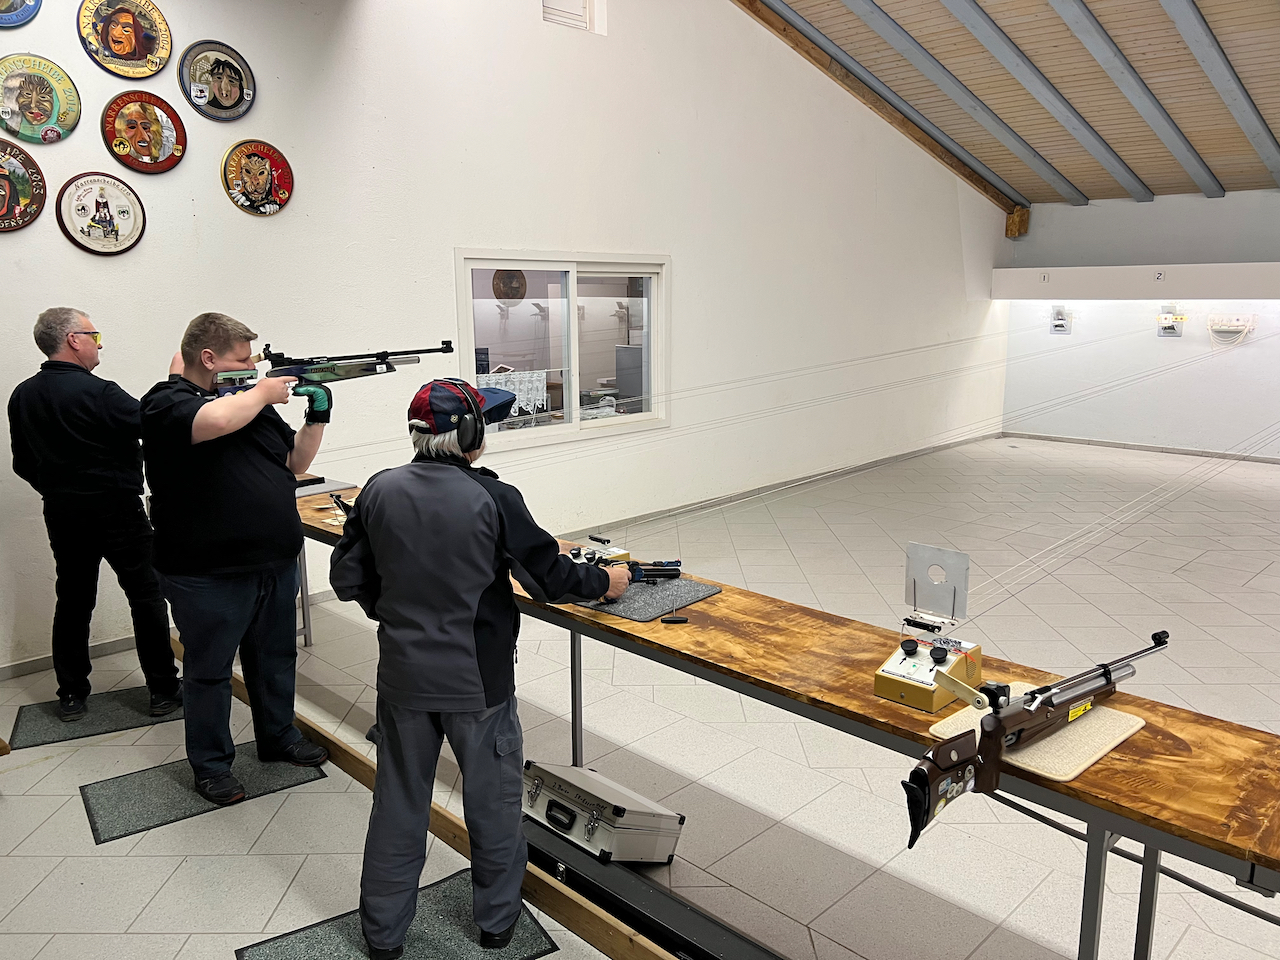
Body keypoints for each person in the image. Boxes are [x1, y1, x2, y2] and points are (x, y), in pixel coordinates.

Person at [330, 379, 629, 959]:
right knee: (492, 807)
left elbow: (348, 578)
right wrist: (606, 581)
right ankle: (496, 925)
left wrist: (397, 614)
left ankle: (383, 938)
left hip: (403, 681)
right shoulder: (494, 496)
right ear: (470, 433)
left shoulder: (378, 489)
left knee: (398, 806)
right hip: (479, 686)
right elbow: (551, 580)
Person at [140, 313, 333, 806]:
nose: (253, 367)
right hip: (206, 572)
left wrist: (317, 416)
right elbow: (215, 422)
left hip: (273, 561)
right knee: (209, 671)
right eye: (243, 359)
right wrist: (264, 392)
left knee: (275, 659)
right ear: (208, 358)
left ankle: (278, 735)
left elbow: (294, 462)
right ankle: (211, 765)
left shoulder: (250, 404)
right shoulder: (166, 402)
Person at [8, 307, 181, 721]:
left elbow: (22, 462)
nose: (99, 344)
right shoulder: (101, 392)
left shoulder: (23, 395)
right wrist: (176, 385)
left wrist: (56, 489)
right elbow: (156, 426)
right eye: (94, 336)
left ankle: (71, 695)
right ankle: (162, 690)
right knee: (146, 595)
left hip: (62, 512)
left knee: (73, 599)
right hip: (117, 509)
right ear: (73, 340)